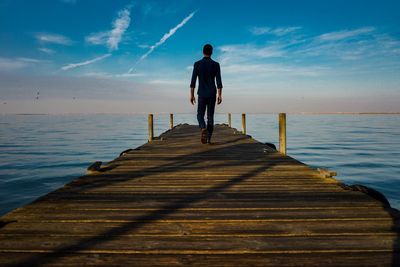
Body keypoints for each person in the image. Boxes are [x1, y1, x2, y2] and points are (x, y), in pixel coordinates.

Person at [190, 44, 223, 144]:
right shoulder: (216, 65)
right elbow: (219, 82)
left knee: (200, 114)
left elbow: (193, 82)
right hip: (212, 93)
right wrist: (220, 95)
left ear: (203, 52)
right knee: (210, 116)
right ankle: (208, 139)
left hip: (202, 94)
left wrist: (191, 95)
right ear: (211, 52)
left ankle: (203, 128)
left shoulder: (197, 64)